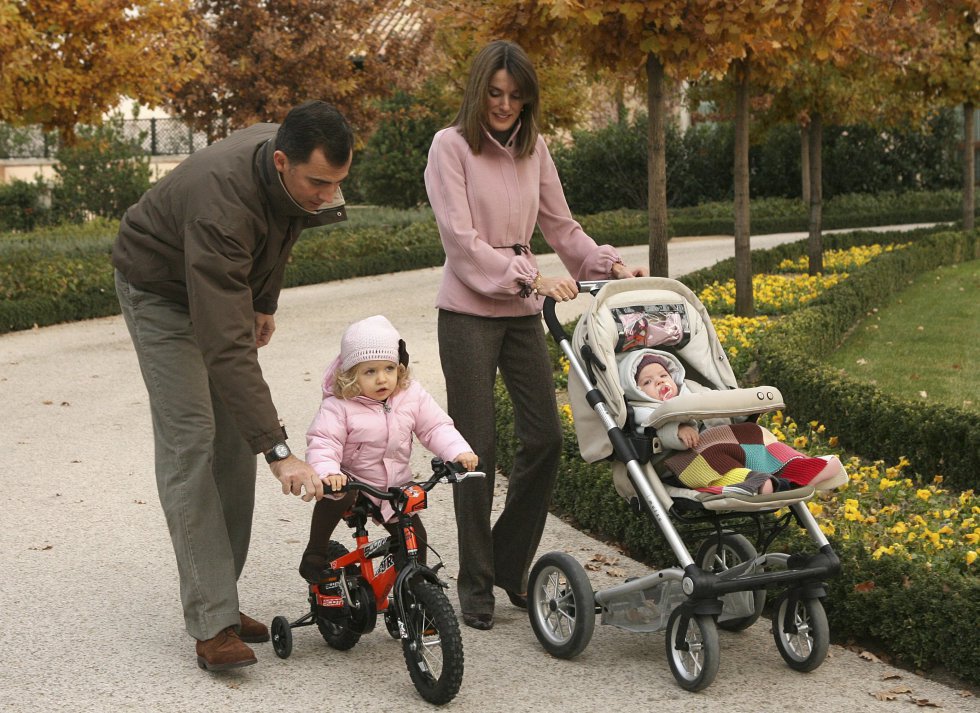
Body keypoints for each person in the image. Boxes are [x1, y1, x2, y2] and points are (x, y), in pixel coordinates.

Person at [112, 100, 353, 671]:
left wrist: (264, 301)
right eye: (318, 182)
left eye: (337, 183)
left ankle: (222, 595)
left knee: (230, 448)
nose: (328, 195)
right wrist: (278, 449)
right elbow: (226, 348)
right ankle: (212, 620)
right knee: (192, 441)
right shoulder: (221, 205)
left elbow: (286, 227)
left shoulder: (295, 173)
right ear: (279, 161)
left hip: (216, 281)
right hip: (159, 290)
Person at [423, 39, 647, 631]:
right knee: (476, 450)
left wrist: (608, 265)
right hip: (470, 313)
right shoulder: (450, 147)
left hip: (522, 313)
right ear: (478, 93)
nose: (504, 105)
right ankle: (474, 585)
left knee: (545, 439)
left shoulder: (534, 147)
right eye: (495, 94)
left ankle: (503, 561)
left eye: (515, 96)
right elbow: (461, 241)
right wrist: (530, 276)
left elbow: (561, 226)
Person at [299, 314, 478, 582]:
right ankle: (315, 551)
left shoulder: (411, 394)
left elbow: (435, 427)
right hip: (355, 482)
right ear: (351, 375)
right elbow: (324, 443)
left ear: (399, 368)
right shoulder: (339, 405)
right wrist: (328, 472)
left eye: (389, 369)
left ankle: (415, 593)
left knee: (415, 540)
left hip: (394, 486)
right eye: (370, 371)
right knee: (339, 493)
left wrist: (457, 452)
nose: (382, 379)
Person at [621, 349, 847, 496]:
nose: (659, 382)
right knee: (713, 460)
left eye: (663, 375)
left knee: (754, 432)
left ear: (673, 376)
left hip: (720, 440)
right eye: (647, 381)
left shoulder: (691, 390)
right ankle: (751, 483)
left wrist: (740, 410)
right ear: (636, 390)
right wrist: (677, 429)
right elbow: (647, 429)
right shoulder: (643, 409)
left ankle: (800, 466)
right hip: (681, 460)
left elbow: (717, 403)